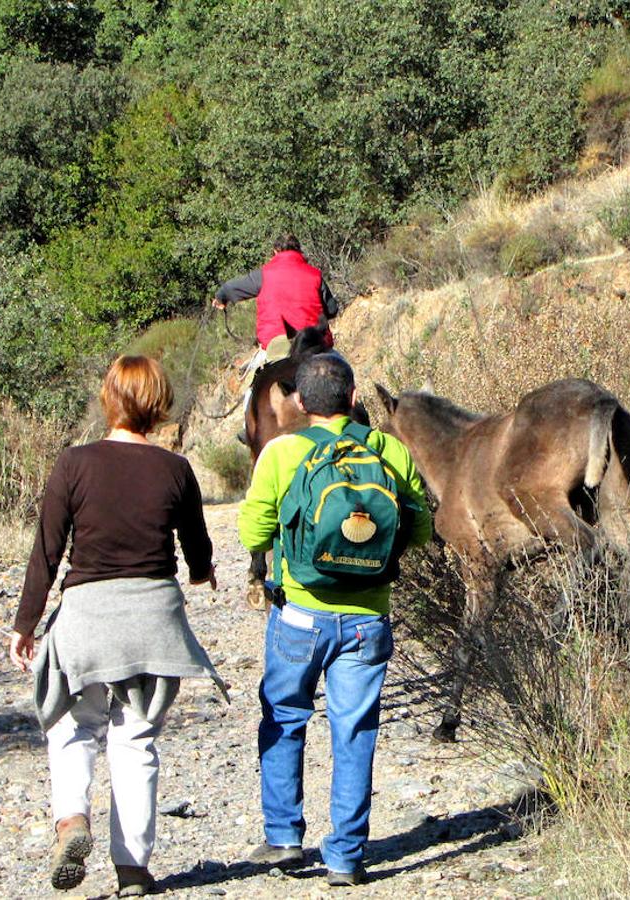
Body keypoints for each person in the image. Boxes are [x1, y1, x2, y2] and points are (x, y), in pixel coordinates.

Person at [10, 356, 226, 896]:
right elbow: (196, 549)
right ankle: (132, 868)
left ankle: (71, 820)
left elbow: (47, 552)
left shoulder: (73, 463)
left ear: (109, 398)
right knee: (136, 741)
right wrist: (203, 573)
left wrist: (25, 624)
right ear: (158, 405)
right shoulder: (176, 469)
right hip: (152, 619)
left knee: (71, 725)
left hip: (87, 617)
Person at [237, 353, 432, 886]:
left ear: (299, 403)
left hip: (300, 613)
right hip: (369, 618)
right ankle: (345, 857)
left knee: (284, 715)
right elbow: (417, 529)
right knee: (355, 729)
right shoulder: (388, 449)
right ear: (352, 400)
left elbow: (252, 533)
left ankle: (283, 838)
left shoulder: (281, 452)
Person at [212, 233, 340, 369]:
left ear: (275, 252)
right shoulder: (315, 274)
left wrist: (221, 298)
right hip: (314, 345)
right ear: (299, 251)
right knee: (343, 372)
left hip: (276, 347)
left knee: (250, 385)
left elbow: (230, 288)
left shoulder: (263, 275)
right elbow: (332, 310)